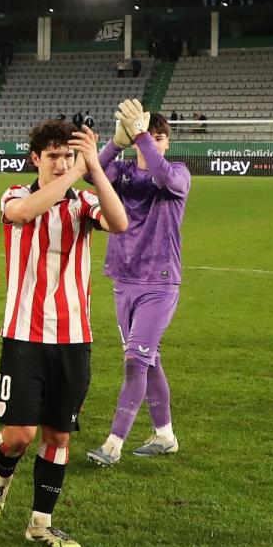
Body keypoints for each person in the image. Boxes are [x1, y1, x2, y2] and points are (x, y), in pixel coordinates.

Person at [0, 120, 129, 547]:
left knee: (58, 437)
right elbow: (24, 215)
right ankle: (1, 476)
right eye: (54, 156)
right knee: (19, 436)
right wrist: (79, 169)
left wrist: (95, 169)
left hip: (73, 339)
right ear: (36, 159)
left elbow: (119, 222)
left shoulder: (84, 202)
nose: (62, 163)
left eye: (68, 155)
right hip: (23, 336)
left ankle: (40, 524)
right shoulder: (16, 195)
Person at [86, 103, 191, 466]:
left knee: (134, 361)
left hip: (159, 284)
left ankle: (113, 444)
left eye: (160, 138)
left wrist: (141, 134)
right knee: (149, 359)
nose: (154, 143)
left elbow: (162, 176)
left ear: (167, 142)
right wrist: (116, 143)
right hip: (123, 280)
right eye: (149, 137)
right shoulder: (123, 172)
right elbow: (92, 173)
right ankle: (165, 436)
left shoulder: (178, 174)